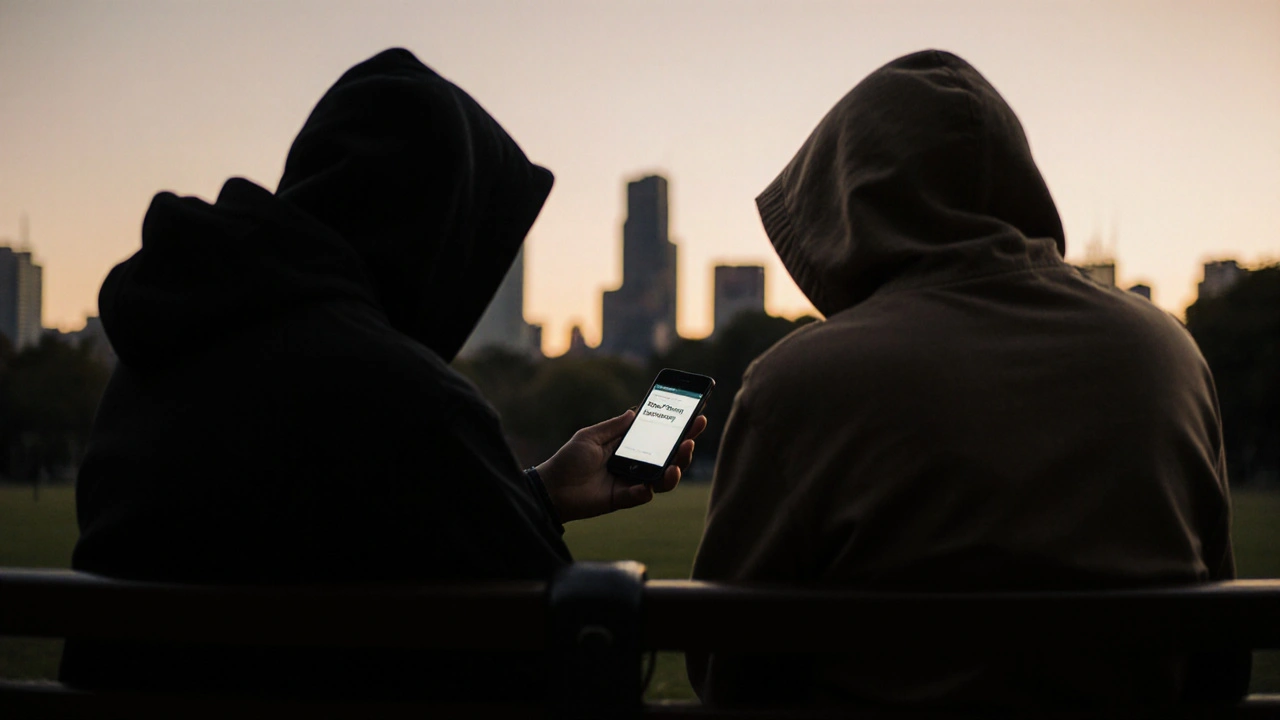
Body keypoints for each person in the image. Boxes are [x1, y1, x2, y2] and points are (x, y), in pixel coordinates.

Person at [60, 48, 704, 700]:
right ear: (432, 230)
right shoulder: (406, 401)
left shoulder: (156, 354)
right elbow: (547, 640)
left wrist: (536, 493)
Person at [688, 50, 1248, 709]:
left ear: (849, 203)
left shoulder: (794, 383)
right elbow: (1220, 661)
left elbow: (730, 672)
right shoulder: (1168, 355)